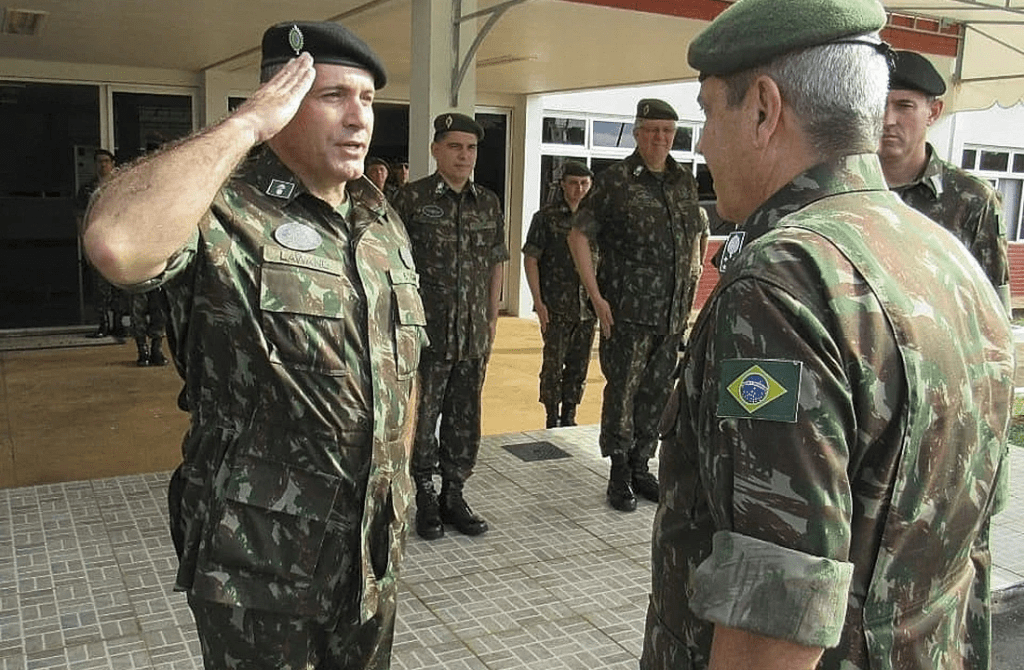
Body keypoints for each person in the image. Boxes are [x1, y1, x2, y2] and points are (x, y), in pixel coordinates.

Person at [641, 1, 1015, 669]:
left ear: (763, 108)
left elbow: (776, 615)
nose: (700, 143)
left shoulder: (783, 285)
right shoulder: (947, 256)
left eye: (705, 112)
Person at [82, 20, 425, 669]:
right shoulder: (222, 215)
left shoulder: (382, 224)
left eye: (368, 100)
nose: (359, 119)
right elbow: (115, 244)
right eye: (333, 97)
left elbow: (403, 369)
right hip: (260, 572)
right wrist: (244, 127)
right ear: (280, 102)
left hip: (370, 561)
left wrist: (399, 491)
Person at [567, 99, 709, 512]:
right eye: (652, 131)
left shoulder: (684, 180)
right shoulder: (615, 181)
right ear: (637, 132)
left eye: (668, 132)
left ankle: (641, 465)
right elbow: (578, 236)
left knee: (658, 394)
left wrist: (693, 282)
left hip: (671, 315)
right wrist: (596, 297)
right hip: (627, 314)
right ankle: (618, 473)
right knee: (622, 394)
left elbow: (695, 233)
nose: (661, 139)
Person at [392, 112, 509, 541]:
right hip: (428, 334)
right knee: (424, 417)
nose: (464, 155)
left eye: (471, 148)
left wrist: (493, 315)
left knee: (465, 417)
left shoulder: (488, 202)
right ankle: (423, 493)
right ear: (436, 150)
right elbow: (393, 264)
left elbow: (497, 260)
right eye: (455, 146)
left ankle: (454, 493)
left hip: (474, 333)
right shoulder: (411, 200)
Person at [879, 49, 1011, 314]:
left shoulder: (972, 200)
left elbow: (994, 312)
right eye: (877, 105)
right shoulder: (835, 186)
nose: (887, 120)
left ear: (933, 112)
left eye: (904, 106)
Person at [522, 160, 597, 429]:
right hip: (556, 306)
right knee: (553, 366)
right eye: (574, 183)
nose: (579, 189)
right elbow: (531, 259)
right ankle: (551, 417)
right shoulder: (546, 218)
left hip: (586, 309)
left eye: (584, 184)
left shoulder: (595, 220)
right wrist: (538, 302)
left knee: (579, 366)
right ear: (563, 185)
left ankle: (570, 415)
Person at [76, 149, 128, 339]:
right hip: (97, 243)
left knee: (119, 285)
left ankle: (118, 323)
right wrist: (84, 244)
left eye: (106, 161)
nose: (103, 165)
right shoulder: (87, 190)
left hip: (118, 243)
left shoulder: (120, 187)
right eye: (99, 161)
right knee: (99, 286)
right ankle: (103, 323)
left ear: (113, 163)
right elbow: (81, 218)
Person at [129, 287, 169, 366]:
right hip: (137, 280)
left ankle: (156, 348)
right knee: (137, 313)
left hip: (157, 280)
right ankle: (142, 350)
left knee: (160, 312)